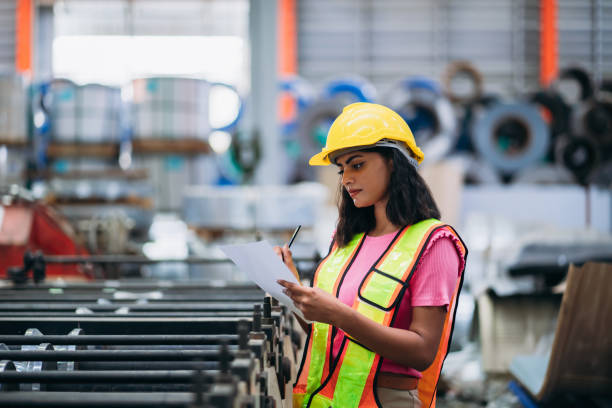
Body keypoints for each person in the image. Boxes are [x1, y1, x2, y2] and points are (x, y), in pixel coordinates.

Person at [274, 102, 467, 408]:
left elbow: (422, 351)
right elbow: (326, 330)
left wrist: (337, 313)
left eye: (357, 164)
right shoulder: (347, 241)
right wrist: (291, 286)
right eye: (341, 168)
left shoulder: (433, 244)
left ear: (393, 162)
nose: (346, 178)